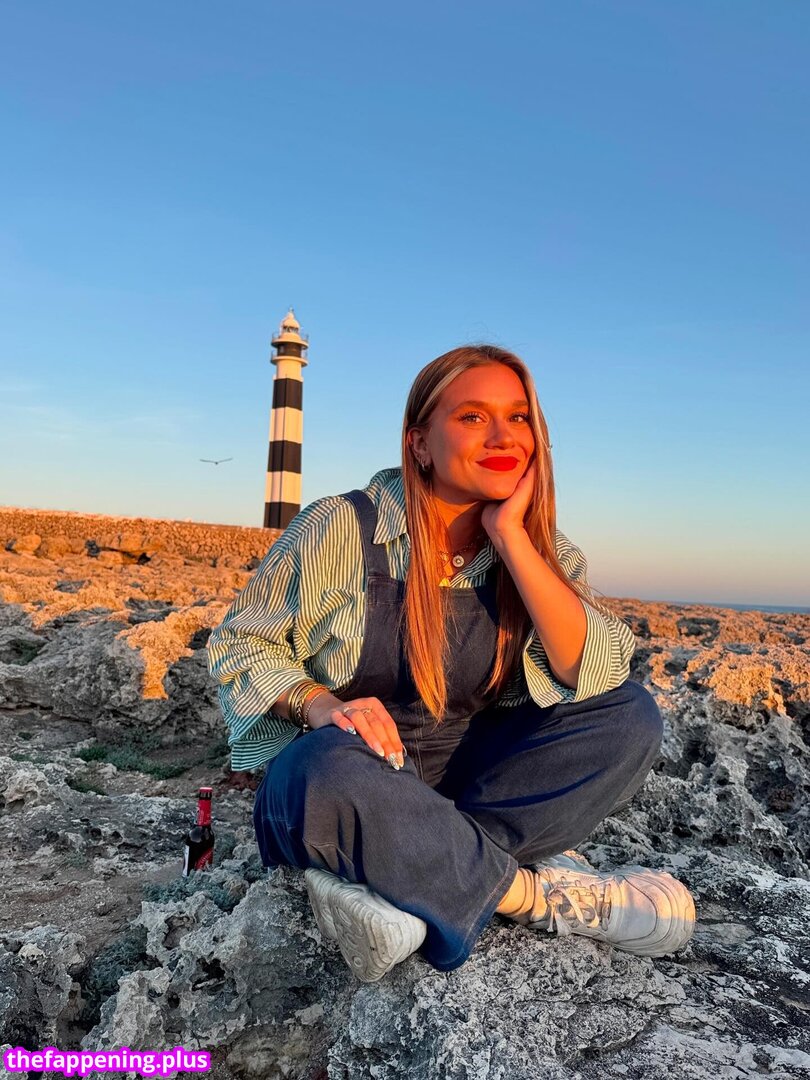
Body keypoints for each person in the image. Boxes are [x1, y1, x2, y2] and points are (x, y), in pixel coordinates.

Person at [207, 344, 696, 982]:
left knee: (629, 716)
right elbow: (240, 644)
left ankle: (400, 878)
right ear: (419, 443)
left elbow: (592, 670)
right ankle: (529, 895)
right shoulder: (341, 527)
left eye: (518, 418)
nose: (503, 436)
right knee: (319, 769)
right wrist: (321, 704)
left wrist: (512, 538)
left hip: (462, 786)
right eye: (472, 417)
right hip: (349, 779)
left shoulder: (540, 551)